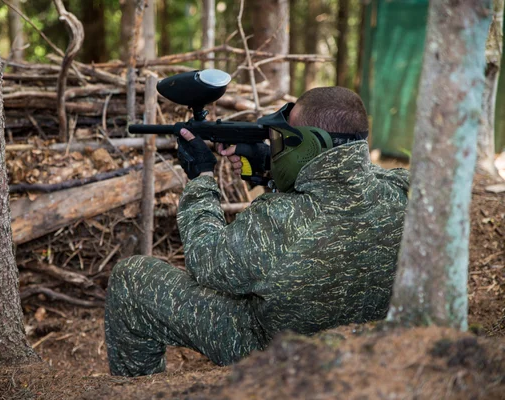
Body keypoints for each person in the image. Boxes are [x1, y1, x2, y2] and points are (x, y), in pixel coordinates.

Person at [104, 86, 410, 377]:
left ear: (308, 144)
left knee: (131, 279)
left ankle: (138, 388)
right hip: (368, 348)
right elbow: (347, 179)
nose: (278, 146)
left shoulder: (278, 220)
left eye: (285, 140)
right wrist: (271, 166)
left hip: (273, 355)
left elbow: (205, 260)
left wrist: (201, 178)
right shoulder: (405, 192)